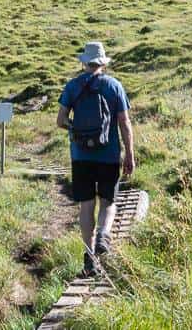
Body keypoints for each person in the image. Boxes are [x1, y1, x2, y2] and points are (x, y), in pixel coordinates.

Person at [56, 41, 135, 276]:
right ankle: (103, 235)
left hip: (81, 156)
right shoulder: (114, 86)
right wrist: (129, 153)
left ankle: (89, 258)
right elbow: (124, 122)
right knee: (109, 202)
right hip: (109, 155)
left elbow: (60, 121)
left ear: (84, 63)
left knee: (86, 205)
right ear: (102, 63)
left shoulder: (72, 86)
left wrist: (76, 131)